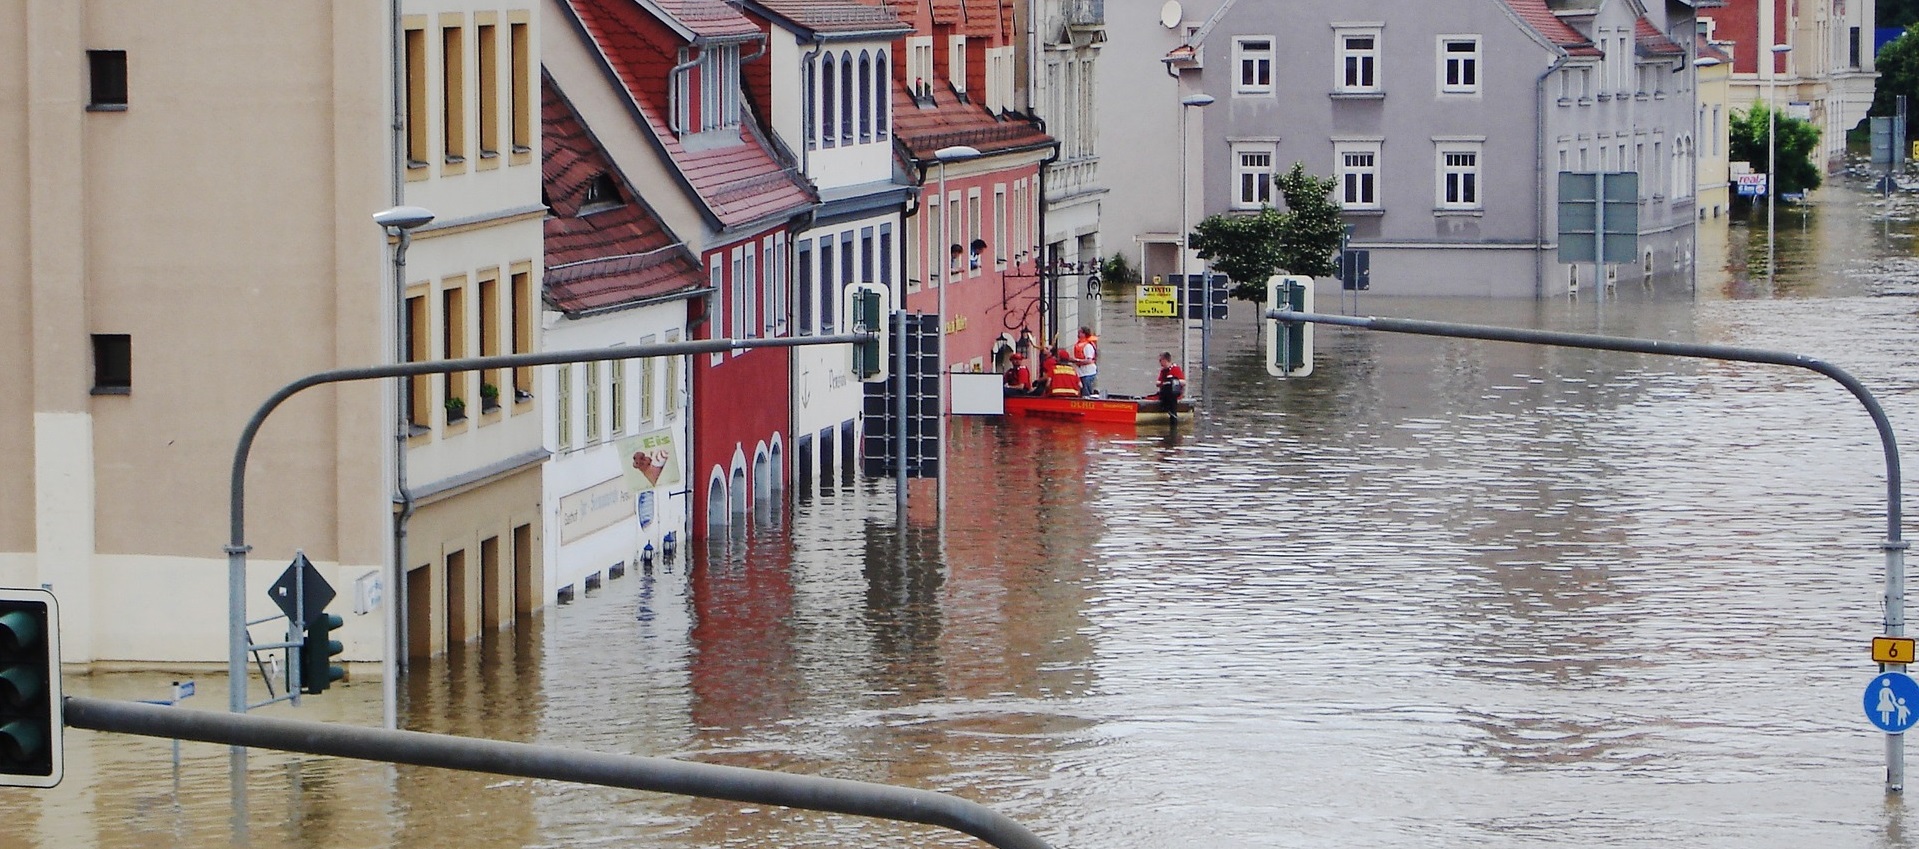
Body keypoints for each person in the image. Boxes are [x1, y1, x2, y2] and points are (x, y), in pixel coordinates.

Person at [1155, 352, 1186, 419]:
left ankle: (1172, 414)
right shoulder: (1163, 371)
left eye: (1160, 360)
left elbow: (1183, 382)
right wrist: (1161, 383)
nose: (1160, 363)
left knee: (1171, 397)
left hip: (1174, 396)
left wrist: (1172, 381)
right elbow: (1158, 382)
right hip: (1164, 394)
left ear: (1165, 360)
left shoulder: (1175, 369)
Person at [1071, 326, 1099, 397]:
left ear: (1084, 334)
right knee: (1082, 390)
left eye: (1080, 332)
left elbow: (1089, 360)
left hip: (1088, 372)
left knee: (1086, 392)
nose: (1078, 333)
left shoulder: (1087, 346)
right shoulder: (1079, 344)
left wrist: (1076, 360)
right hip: (1081, 372)